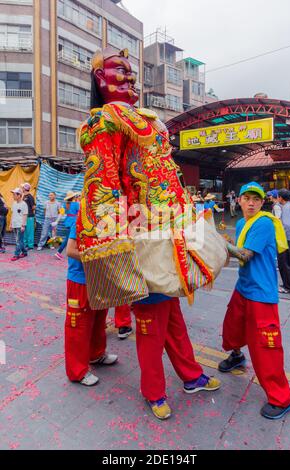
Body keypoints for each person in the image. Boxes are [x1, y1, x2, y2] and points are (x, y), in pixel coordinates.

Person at [76, 47, 222, 420]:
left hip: (170, 232)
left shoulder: (146, 118)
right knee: (150, 323)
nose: (130, 77)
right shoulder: (105, 120)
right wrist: (112, 240)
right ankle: (154, 391)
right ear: (99, 79)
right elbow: (102, 183)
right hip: (143, 236)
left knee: (171, 315)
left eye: (131, 71)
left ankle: (190, 375)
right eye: (119, 71)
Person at [219, 182, 290, 420]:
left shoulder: (263, 222)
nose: (251, 203)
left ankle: (282, 398)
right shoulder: (242, 223)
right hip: (243, 287)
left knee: (265, 348)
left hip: (261, 293)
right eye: (247, 198)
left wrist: (216, 242)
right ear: (238, 200)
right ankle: (237, 355)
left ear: (263, 203)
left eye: (256, 199)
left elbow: (244, 254)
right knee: (232, 328)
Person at [65, 221, 118, 386]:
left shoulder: (108, 219)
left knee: (98, 321)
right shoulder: (82, 218)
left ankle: (96, 354)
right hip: (81, 281)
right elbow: (70, 250)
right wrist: (98, 257)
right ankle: (77, 371)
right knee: (79, 327)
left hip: (100, 278)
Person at [55, 191, 79, 260]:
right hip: (74, 222)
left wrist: (57, 221)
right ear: (73, 197)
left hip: (68, 221)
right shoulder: (76, 204)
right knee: (68, 238)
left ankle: (69, 251)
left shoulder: (65, 204)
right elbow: (80, 212)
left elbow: (61, 213)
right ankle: (59, 252)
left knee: (69, 237)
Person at [10, 187, 28, 261]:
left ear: (19, 195)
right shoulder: (14, 203)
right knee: (19, 240)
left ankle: (16, 254)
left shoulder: (24, 204)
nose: (13, 196)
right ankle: (24, 252)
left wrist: (23, 225)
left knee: (18, 241)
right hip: (14, 224)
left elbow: (25, 215)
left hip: (20, 225)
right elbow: (12, 214)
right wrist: (10, 224)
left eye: (14, 194)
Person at [22, 183, 36, 250]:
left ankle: (30, 245)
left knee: (29, 231)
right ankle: (25, 244)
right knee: (24, 231)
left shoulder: (30, 196)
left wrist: (29, 212)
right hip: (24, 216)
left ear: (25, 188)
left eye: (23, 187)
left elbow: (33, 207)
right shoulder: (23, 196)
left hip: (30, 216)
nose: (22, 188)